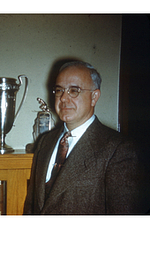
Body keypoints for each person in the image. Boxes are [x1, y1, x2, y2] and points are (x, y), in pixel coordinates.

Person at [24, 61, 150, 214]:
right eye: (59, 90)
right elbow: (31, 206)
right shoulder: (45, 142)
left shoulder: (119, 150)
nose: (63, 98)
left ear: (94, 97)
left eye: (74, 90)